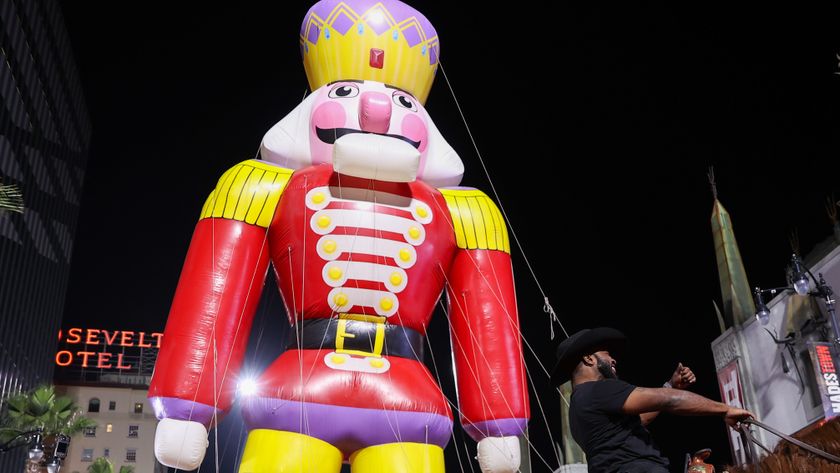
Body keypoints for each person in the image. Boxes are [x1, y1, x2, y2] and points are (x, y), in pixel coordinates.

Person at [551, 327, 755, 473]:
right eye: (607, 354)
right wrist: (725, 410)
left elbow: (639, 420)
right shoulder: (598, 390)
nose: (613, 359)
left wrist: (670, 385)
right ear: (589, 359)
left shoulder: (579, 405)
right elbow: (669, 401)